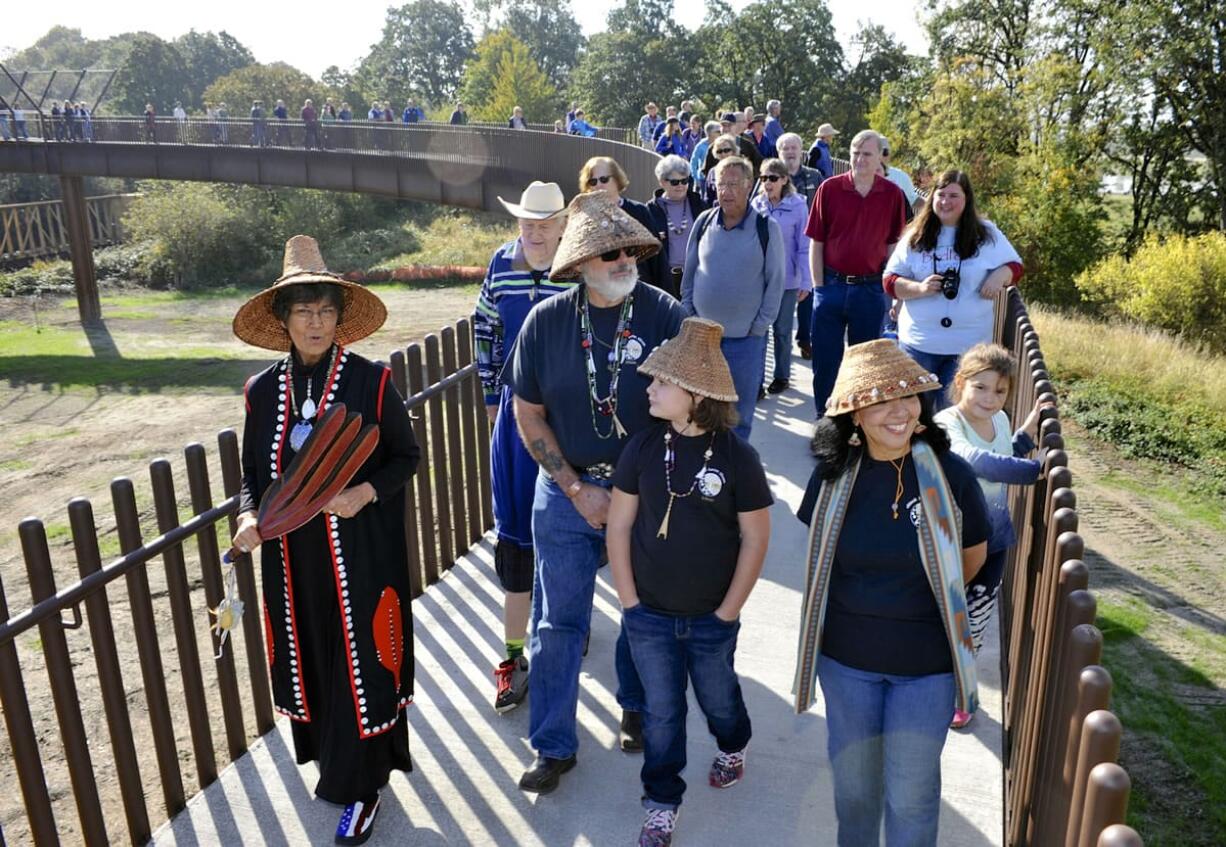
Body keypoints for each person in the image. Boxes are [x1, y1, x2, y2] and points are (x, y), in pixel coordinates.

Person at [230, 235, 419, 846]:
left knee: (358, 665)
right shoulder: (262, 392)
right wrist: (248, 514)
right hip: (291, 561)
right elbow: (250, 476)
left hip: (358, 555)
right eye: (303, 311)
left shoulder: (372, 382)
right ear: (283, 320)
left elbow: (405, 457)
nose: (315, 323)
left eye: (326, 311)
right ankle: (333, 759)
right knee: (311, 657)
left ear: (341, 319)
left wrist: (363, 494)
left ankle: (363, 785)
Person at [506, 192, 684, 794]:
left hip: (645, 492)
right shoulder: (546, 322)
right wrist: (576, 487)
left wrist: (637, 492)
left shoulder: (666, 315)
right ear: (579, 262)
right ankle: (553, 746)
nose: (621, 260)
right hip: (566, 493)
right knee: (558, 624)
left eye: (628, 249)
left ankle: (634, 708)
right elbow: (528, 416)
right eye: (607, 253)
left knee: (644, 612)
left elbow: (698, 408)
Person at [794, 339, 989, 847]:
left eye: (908, 397)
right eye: (880, 399)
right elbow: (820, 562)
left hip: (926, 668)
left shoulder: (952, 477)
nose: (898, 411)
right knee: (856, 794)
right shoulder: (831, 478)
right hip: (847, 663)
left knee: (912, 795)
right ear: (855, 416)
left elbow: (972, 558)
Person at [608, 317, 771, 847]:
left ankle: (733, 742)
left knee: (717, 696)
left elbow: (754, 538)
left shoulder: (738, 458)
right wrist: (628, 601)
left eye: (660, 382)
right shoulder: (641, 447)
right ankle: (660, 802)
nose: (649, 388)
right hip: (649, 614)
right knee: (661, 712)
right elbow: (620, 525)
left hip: (711, 616)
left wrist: (728, 611)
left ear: (696, 394)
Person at [473, 181, 572, 714]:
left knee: (567, 523)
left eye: (544, 222)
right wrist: (492, 396)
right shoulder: (500, 264)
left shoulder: (577, 264)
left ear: (562, 224)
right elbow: (484, 328)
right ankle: (514, 657)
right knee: (515, 531)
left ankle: (563, 629)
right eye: (526, 222)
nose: (534, 232)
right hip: (515, 415)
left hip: (567, 412)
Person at [934, 343, 1050, 728]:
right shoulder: (948, 424)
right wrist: (1032, 472)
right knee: (940, 616)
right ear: (961, 382)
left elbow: (1005, 450)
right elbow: (976, 461)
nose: (990, 398)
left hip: (994, 540)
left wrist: (1028, 431)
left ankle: (962, 693)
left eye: (1000, 391)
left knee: (975, 622)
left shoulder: (999, 420)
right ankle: (928, 676)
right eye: (980, 387)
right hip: (953, 542)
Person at [883, 169, 1023, 401]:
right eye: (941, 194)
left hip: (967, 348)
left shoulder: (986, 234)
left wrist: (1001, 274)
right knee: (918, 416)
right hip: (920, 344)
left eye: (954, 195)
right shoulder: (915, 235)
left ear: (967, 199)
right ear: (932, 198)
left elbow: (1016, 266)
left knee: (954, 416)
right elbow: (889, 281)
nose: (946, 201)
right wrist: (920, 289)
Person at [681, 157, 785, 441]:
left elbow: (775, 283)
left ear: (749, 186)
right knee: (697, 409)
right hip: (702, 339)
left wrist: (758, 328)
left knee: (738, 417)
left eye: (733, 184)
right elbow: (689, 273)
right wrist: (689, 312)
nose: (725, 191)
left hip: (745, 343)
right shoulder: (703, 222)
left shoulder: (766, 229)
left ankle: (733, 474)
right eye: (720, 184)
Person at [805, 129, 908, 416]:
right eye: (855, 153)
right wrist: (820, 288)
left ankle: (857, 423)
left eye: (867, 154)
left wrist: (892, 291)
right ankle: (827, 423)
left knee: (864, 364)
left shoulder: (892, 195)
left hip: (870, 289)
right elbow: (817, 242)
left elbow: (892, 247)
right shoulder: (830, 189)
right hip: (832, 285)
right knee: (825, 362)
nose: (859, 159)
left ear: (880, 158)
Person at [751, 158, 812, 395]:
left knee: (782, 331)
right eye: (763, 178)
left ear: (784, 180)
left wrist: (806, 281)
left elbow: (804, 246)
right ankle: (756, 382)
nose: (767, 183)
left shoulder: (798, 206)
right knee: (759, 330)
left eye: (773, 178)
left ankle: (782, 376)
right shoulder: (756, 204)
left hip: (787, 281)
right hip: (760, 280)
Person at [775, 132, 823, 360]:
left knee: (807, 293)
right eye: (786, 148)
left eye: (794, 147)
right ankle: (778, 339)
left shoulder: (815, 176)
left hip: (810, 244)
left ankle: (805, 338)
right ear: (779, 152)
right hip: (781, 244)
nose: (790, 152)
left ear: (801, 150)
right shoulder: (772, 178)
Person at [578, 156, 657, 283]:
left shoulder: (639, 211)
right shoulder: (587, 219)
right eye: (593, 182)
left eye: (604, 179)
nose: (598, 185)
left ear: (616, 179)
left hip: (641, 290)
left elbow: (657, 259)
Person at [646, 154, 709, 298]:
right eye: (674, 182)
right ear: (662, 182)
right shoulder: (650, 210)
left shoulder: (698, 205)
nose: (681, 186)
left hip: (697, 276)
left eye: (685, 181)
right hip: (665, 279)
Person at [704, 113, 762, 178]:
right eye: (723, 125)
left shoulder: (746, 145)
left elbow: (760, 165)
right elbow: (706, 171)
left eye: (729, 125)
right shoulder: (714, 148)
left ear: (735, 126)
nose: (726, 129)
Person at [880, 138, 921, 211]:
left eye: (885, 152)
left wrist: (933, 205)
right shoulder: (859, 177)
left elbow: (913, 200)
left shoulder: (900, 176)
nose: (881, 156)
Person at [700, 134, 740, 206]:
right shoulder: (712, 172)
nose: (723, 154)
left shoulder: (741, 170)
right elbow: (707, 198)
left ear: (733, 151)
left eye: (727, 150)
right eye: (719, 151)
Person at [689, 120, 720, 185]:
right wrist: (696, 178)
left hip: (718, 177)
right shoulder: (700, 146)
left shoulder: (721, 144)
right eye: (718, 131)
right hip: (703, 179)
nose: (720, 133)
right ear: (710, 133)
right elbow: (693, 163)